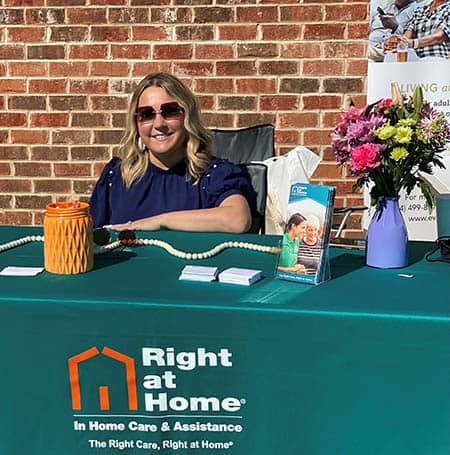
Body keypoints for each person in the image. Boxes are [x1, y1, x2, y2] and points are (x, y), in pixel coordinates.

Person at [90, 72, 253, 233]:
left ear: (187, 116)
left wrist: (160, 221)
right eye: (146, 114)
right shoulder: (116, 177)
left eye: (169, 111)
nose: (159, 123)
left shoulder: (212, 175)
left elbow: (238, 220)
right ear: (136, 123)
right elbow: (89, 238)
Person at [384, 0, 450, 60]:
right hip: (415, 59)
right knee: (390, 56)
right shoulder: (420, 10)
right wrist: (396, 42)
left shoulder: (448, 8)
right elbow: (406, 37)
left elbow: (439, 37)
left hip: (437, 58)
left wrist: (413, 43)